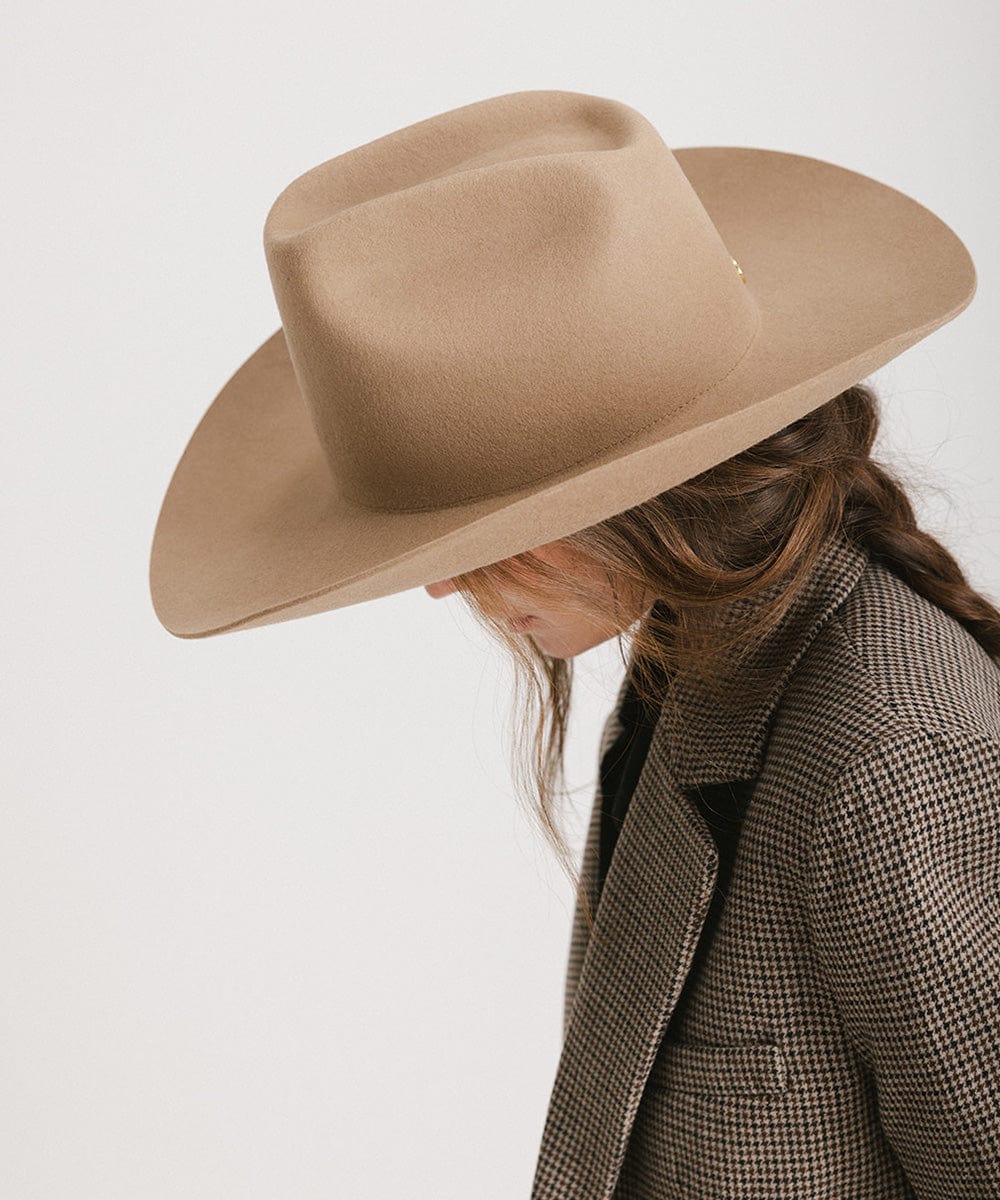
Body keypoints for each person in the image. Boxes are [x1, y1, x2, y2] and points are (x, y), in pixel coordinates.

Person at [150, 89, 1000, 1198]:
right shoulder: (701, 660)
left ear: (646, 493)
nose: (442, 581)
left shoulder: (883, 761)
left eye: (486, 533)